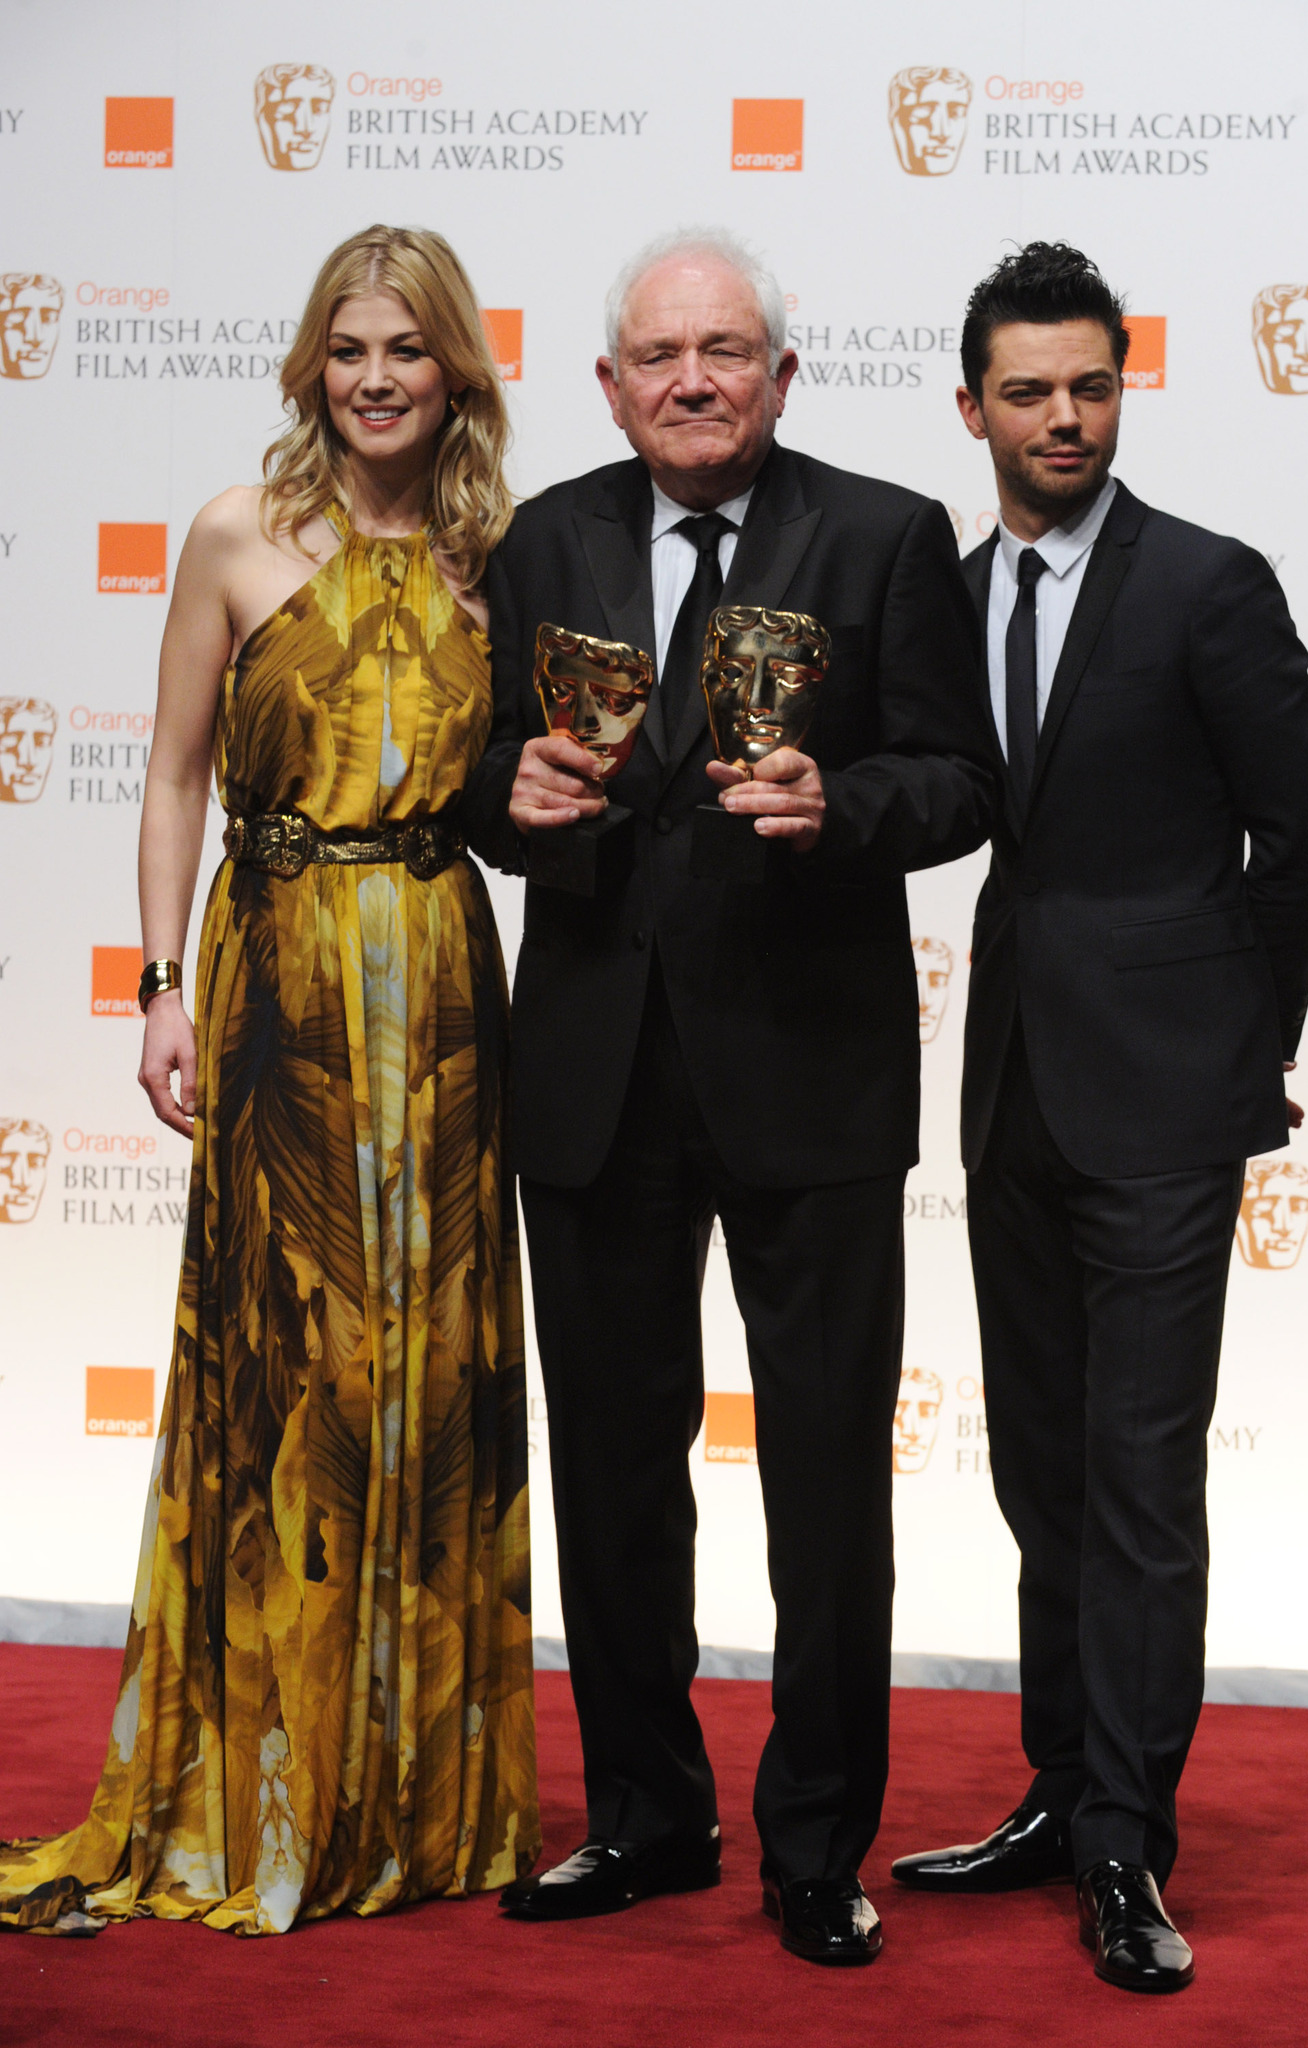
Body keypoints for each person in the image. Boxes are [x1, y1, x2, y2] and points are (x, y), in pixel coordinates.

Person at [460, 226, 994, 1966]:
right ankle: (642, 1817)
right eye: (658, 356)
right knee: (615, 1470)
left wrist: (841, 809)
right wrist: (511, 795)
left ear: (782, 370)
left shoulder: (885, 532)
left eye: (726, 350)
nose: (692, 379)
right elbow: (482, 772)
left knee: (827, 1477)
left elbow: (957, 775)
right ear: (609, 382)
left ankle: (815, 1845)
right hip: (598, 1076)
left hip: (812, 1075)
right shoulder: (545, 537)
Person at [0, 225, 539, 1936]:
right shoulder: (242, 535)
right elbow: (169, 780)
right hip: (280, 976)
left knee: (432, 1376)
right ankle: (264, 1784)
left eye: (408, 349)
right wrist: (159, 984)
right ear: (313, 365)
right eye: (348, 348)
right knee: (289, 1371)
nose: (376, 377)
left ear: (456, 367)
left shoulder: (499, 556)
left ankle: (421, 1802)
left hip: (446, 982)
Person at [891, 242, 1308, 1993]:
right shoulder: (942, 587)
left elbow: (1305, 842)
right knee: (1038, 1476)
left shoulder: (1207, 585)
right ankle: (1058, 1787)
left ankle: (1125, 1851)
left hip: (1163, 1110)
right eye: (1028, 390)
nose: (1063, 416)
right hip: (1009, 1089)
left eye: (1090, 385)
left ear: (1121, 387)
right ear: (973, 409)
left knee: (1141, 1485)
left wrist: (1240, 1057)